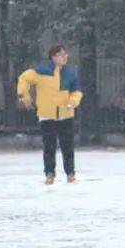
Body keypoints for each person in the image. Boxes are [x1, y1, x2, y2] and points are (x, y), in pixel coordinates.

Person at [18, 45, 83, 185]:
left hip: (66, 114)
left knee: (68, 146)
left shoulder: (71, 73)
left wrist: (73, 101)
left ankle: (70, 173)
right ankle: (49, 173)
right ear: (53, 57)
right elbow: (23, 79)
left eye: (65, 54)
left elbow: (77, 91)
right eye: (61, 55)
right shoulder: (41, 71)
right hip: (47, 115)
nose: (64, 57)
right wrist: (24, 96)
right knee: (49, 147)